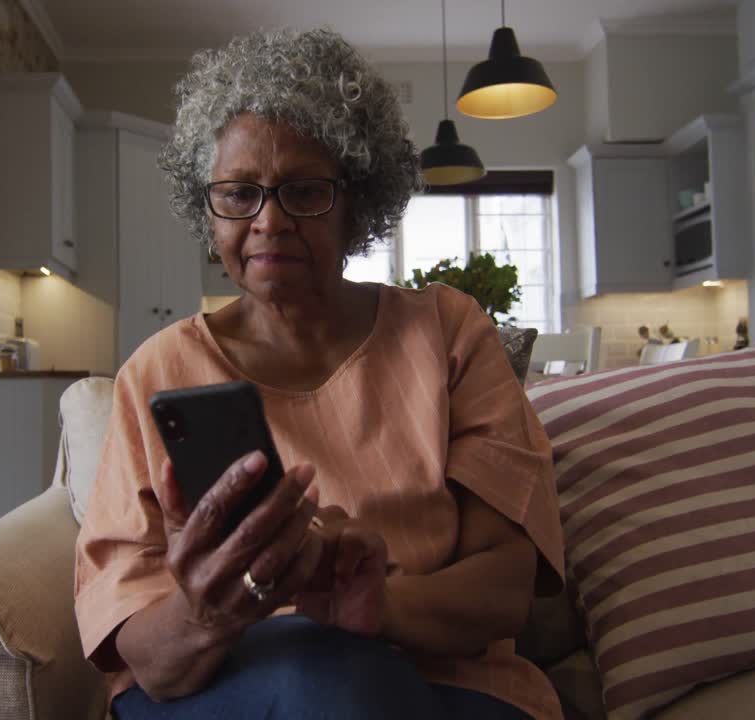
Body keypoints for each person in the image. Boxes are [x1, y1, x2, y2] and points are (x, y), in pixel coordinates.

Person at [74, 28, 565, 720]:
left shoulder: (448, 333)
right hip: (226, 684)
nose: (269, 221)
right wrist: (206, 610)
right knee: (331, 684)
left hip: (439, 676)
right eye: (239, 194)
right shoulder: (155, 373)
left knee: (350, 684)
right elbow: (146, 661)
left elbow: (505, 589)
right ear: (207, 210)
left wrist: (379, 604)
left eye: (304, 191)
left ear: (356, 202)